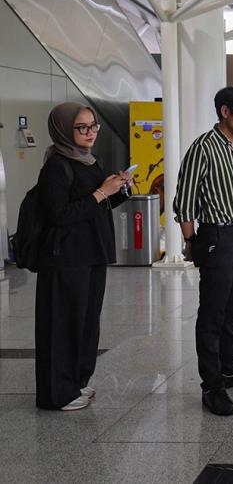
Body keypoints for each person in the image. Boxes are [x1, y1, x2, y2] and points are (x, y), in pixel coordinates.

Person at [173, 86, 233, 417]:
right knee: (212, 312)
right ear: (225, 111)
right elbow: (185, 200)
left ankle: (230, 367)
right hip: (216, 235)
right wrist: (190, 242)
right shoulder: (202, 147)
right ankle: (212, 386)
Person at [35, 102, 132, 411]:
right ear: (64, 129)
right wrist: (101, 193)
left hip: (92, 252)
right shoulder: (56, 166)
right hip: (66, 257)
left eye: (93, 126)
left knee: (86, 322)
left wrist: (117, 190)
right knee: (62, 325)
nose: (90, 132)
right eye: (82, 127)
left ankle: (76, 381)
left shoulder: (91, 161)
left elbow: (97, 206)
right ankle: (56, 394)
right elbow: (58, 215)